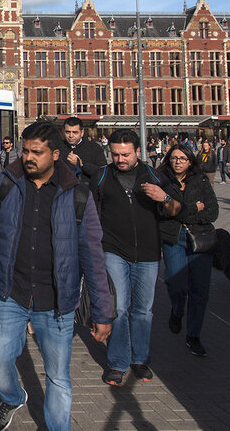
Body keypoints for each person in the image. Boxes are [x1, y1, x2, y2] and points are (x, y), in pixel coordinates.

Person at [0, 121, 113, 431]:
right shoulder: (4, 183)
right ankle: (13, 396)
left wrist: (102, 311)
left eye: (36, 152)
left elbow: (93, 256)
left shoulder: (78, 194)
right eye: (25, 150)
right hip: (10, 290)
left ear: (55, 154)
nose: (28, 157)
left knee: (58, 374)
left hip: (57, 298)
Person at [90, 129, 170, 386]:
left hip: (148, 252)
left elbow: (174, 209)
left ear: (138, 151)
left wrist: (164, 197)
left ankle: (140, 359)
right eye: (115, 154)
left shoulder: (155, 175)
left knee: (143, 311)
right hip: (113, 250)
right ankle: (117, 362)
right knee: (119, 308)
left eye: (125, 154)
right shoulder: (102, 176)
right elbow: (92, 214)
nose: (120, 159)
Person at [157, 144, 218, 358]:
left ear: (190, 161)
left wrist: (180, 212)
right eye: (174, 158)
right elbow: (160, 212)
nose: (178, 162)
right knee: (175, 282)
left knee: (200, 290)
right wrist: (192, 209)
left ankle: (193, 335)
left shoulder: (200, 181)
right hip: (174, 238)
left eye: (182, 158)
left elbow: (212, 212)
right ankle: (177, 310)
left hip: (200, 237)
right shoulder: (161, 180)